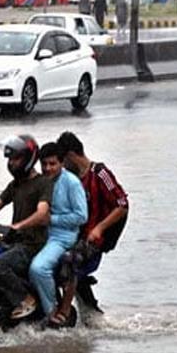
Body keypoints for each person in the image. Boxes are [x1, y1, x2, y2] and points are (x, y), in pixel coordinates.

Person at [0, 135, 54, 320]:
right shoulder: (16, 184)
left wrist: (18, 226)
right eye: (9, 159)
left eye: (16, 158)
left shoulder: (43, 183)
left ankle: (26, 300)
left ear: (28, 158)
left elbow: (42, 213)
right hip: (15, 242)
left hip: (33, 245)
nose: (11, 163)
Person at [53, 131, 129, 325]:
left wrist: (100, 228)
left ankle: (64, 312)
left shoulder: (99, 173)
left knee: (69, 260)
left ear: (71, 155)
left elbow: (122, 204)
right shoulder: (70, 179)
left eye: (63, 160)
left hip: (92, 240)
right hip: (73, 235)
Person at [28, 142, 87, 327]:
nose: (48, 168)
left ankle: (52, 313)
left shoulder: (71, 183)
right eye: (44, 164)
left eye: (52, 164)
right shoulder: (40, 181)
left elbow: (81, 216)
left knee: (38, 268)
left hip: (62, 236)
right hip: (40, 234)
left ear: (61, 163)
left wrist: (51, 220)